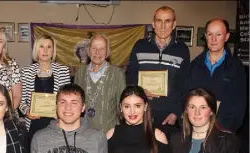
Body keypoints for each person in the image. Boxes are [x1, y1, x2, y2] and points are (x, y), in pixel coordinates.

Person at [125, 6, 190, 139]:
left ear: (174, 24)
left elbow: (185, 84)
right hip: (141, 113)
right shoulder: (140, 46)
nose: (163, 26)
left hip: (168, 117)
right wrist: (139, 91)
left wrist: (176, 113)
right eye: (159, 21)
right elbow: (130, 75)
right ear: (153, 24)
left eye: (167, 21)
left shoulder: (182, 49)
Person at [187, 19, 247, 133]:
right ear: (205, 36)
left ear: (226, 36)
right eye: (210, 34)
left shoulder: (236, 67)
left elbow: (240, 104)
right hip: (195, 130)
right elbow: (186, 98)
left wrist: (228, 130)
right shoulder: (194, 65)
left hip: (223, 131)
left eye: (218, 34)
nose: (213, 39)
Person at [19, 35, 70, 136]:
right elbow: (21, 101)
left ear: (53, 51)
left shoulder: (63, 71)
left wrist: (60, 112)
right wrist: (27, 111)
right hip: (34, 124)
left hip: (56, 123)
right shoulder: (26, 72)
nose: (45, 51)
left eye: (49, 47)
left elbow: (67, 99)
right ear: (36, 50)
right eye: (41, 46)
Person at [74, 34, 126, 133]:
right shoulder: (80, 73)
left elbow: (122, 106)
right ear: (88, 51)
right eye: (94, 48)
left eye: (102, 49)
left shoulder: (117, 73)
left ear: (108, 52)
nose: (97, 52)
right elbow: (76, 104)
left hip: (110, 133)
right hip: (84, 133)